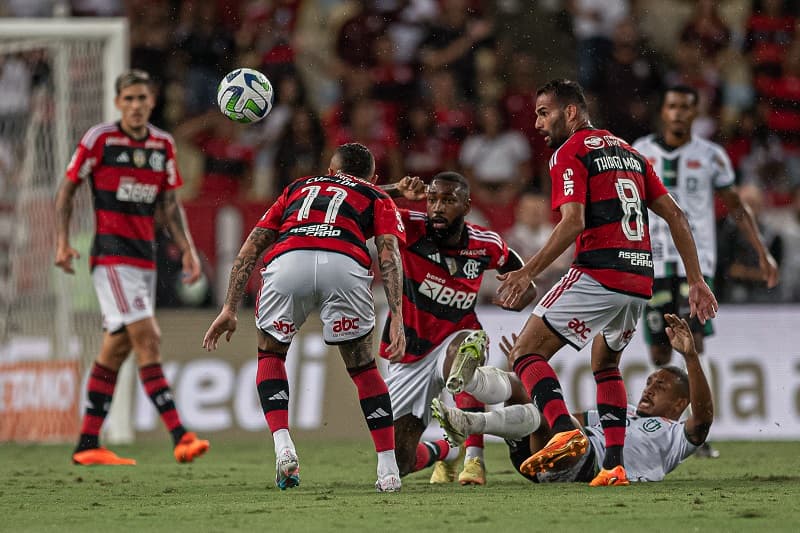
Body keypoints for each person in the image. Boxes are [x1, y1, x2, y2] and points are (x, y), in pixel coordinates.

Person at [495, 79, 718, 486]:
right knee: (606, 365)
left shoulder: (570, 151)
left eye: (544, 113)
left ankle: (563, 430)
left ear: (572, 112)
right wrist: (696, 280)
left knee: (526, 354)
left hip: (599, 269)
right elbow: (677, 217)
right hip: (639, 279)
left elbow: (573, 223)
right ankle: (613, 465)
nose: (538, 123)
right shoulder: (631, 153)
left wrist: (528, 270)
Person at [202, 143, 406, 493]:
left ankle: (284, 446)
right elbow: (388, 253)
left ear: (329, 171)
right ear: (373, 177)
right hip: (343, 263)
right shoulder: (377, 196)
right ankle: (388, 471)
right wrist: (398, 316)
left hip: (290, 260)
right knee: (363, 368)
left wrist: (229, 307)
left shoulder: (298, 187)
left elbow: (252, 246)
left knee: (271, 354)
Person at [54, 70, 209, 466]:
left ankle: (88, 443)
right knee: (148, 337)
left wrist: (188, 250)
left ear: (152, 102)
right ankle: (181, 435)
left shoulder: (162, 145)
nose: (136, 105)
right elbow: (69, 188)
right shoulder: (100, 140)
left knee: (117, 348)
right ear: (117, 102)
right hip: (111, 256)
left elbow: (169, 204)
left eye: (143, 98)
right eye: (129, 99)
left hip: (145, 258)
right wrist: (62, 241)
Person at [632, 86, 779, 457]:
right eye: (672, 106)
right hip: (652, 262)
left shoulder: (712, 156)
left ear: (695, 114)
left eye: (685, 107)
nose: (678, 113)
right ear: (662, 112)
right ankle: (662, 429)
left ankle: (697, 431)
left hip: (698, 268)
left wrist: (762, 253)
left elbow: (736, 208)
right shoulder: (639, 152)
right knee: (659, 354)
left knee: (694, 345)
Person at [380, 171, 537, 486]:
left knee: (461, 360)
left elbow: (525, 281)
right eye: (433, 199)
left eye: (448, 200)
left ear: (467, 206)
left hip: (460, 335)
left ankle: (474, 458)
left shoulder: (485, 244)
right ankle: (449, 452)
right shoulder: (409, 226)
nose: (437, 207)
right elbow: (361, 202)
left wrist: (521, 297)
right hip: (410, 350)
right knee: (400, 462)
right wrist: (396, 190)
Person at [432, 314, 714, 483]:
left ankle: (470, 421)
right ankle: (469, 382)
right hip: (535, 457)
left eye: (661, 386)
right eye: (650, 381)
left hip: (586, 466)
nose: (648, 389)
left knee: (555, 423)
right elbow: (567, 419)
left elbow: (702, 418)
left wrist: (690, 356)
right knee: (525, 387)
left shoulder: (676, 436)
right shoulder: (622, 412)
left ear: (680, 403)